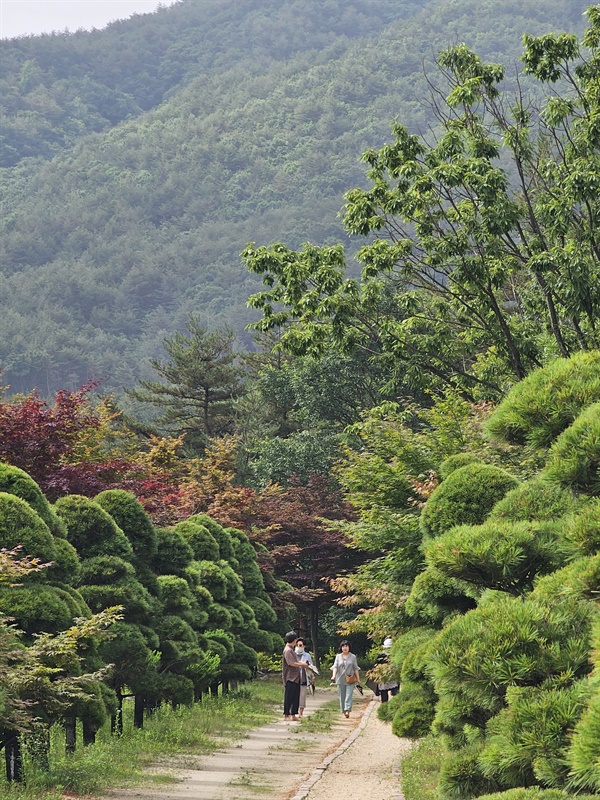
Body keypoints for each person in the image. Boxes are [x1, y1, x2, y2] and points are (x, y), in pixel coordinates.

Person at [282, 631, 310, 721]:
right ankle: (287, 714)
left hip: (296, 677)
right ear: (293, 640)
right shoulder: (287, 650)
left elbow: (296, 661)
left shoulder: (291, 649)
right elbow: (291, 663)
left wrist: (302, 663)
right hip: (290, 677)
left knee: (296, 697)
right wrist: (302, 664)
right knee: (289, 697)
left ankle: (293, 714)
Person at [331, 640, 361, 718]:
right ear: (341, 648)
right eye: (343, 646)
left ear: (349, 647)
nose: (345, 648)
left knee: (349, 695)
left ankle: (347, 709)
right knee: (342, 696)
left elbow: (355, 668)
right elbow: (335, 667)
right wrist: (333, 676)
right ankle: (344, 710)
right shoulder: (338, 656)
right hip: (340, 679)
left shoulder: (353, 657)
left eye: (346, 646)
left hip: (350, 679)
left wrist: (358, 679)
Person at [295, 637, 315, 718]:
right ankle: (293, 711)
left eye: (300, 645)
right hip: (294, 677)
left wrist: (312, 677)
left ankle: (301, 712)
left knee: (302, 696)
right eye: (297, 645)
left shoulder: (307, 655)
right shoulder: (292, 654)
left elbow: (311, 667)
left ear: (304, 646)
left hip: (303, 677)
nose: (298, 647)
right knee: (294, 695)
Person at [375, 637, 399, 703]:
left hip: (393, 676)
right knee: (384, 693)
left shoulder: (395, 655)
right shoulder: (381, 655)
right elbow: (376, 666)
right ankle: (385, 707)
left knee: (395, 693)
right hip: (383, 677)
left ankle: (395, 706)